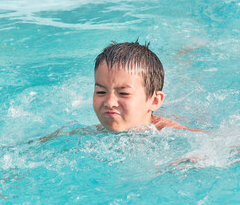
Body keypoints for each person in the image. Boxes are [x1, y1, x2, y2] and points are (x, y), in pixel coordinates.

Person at [38, 41, 199, 143]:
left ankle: (188, 50)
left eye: (124, 94)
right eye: (101, 92)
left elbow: (218, 144)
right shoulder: (93, 133)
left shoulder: (169, 133)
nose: (109, 102)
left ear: (154, 101)